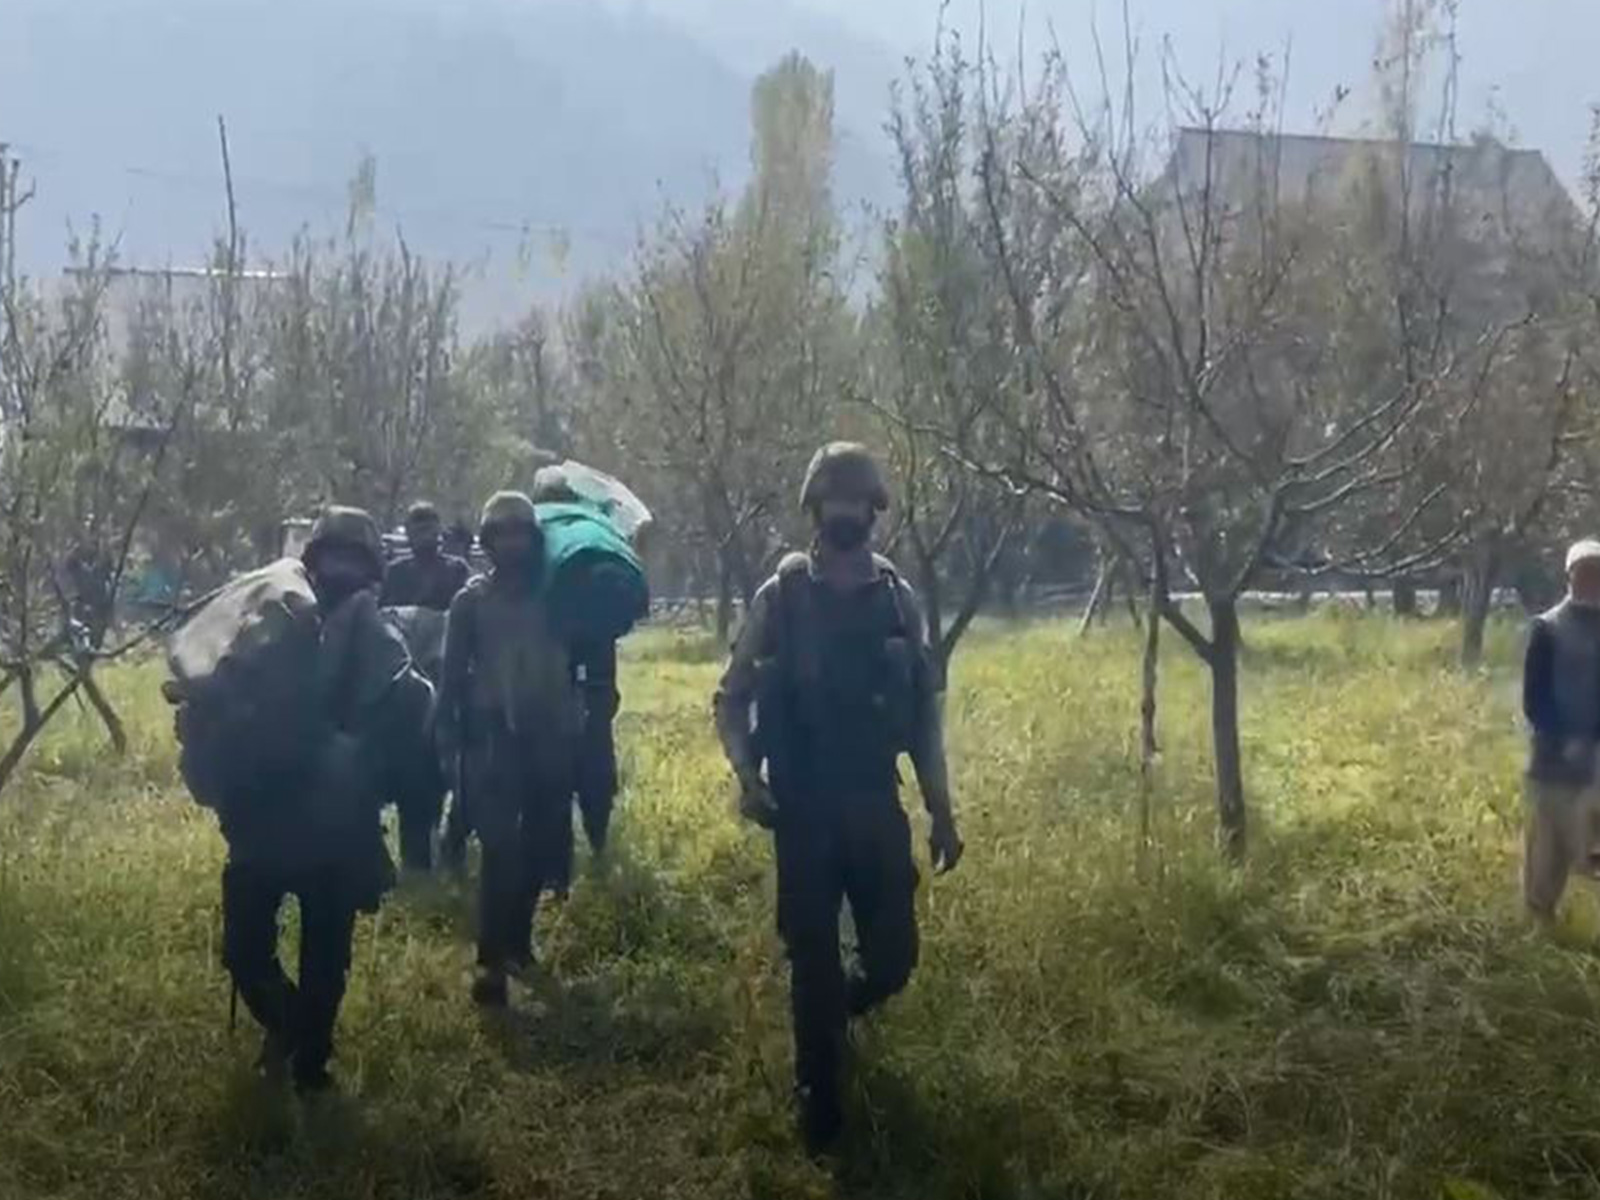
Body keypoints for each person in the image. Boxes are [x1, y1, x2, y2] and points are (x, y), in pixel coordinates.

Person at [713, 442, 964, 1151]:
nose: (846, 512)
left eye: (857, 501)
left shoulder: (897, 599)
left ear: (873, 510)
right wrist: (748, 775)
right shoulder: (782, 595)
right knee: (813, 955)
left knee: (893, 960)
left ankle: (839, 1015)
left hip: (875, 802)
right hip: (804, 808)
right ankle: (817, 1094)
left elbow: (923, 719)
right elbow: (731, 695)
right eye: (834, 501)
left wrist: (942, 811)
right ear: (816, 508)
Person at [220, 506, 414, 1093]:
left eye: (353, 558)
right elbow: (229, 684)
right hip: (266, 810)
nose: (340, 568)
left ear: (370, 568)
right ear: (314, 559)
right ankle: (286, 1026)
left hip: (337, 823)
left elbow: (398, 720)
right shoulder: (274, 622)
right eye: (333, 555)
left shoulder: (379, 637)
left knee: (326, 959)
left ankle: (310, 1063)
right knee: (244, 950)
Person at [435, 491, 581, 1007]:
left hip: (548, 735)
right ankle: (490, 962)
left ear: (534, 540)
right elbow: (451, 677)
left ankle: (518, 944)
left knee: (541, 848)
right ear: (488, 541)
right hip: (491, 737)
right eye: (502, 534)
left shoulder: (557, 598)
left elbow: (584, 661)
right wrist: (447, 742)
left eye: (521, 533)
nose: (512, 543)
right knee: (500, 852)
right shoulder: (470, 602)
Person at [1522, 538, 1600, 920]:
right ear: (1570, 577)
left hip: (1597, 759)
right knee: (1547, 849)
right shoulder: (1547, 628)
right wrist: (1563, 739)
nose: (1591, 581)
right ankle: (1541, 920)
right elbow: (1534, 698)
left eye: (1597, 573)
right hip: (1553, 757)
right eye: (1583, 573)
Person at [381, 501, 472, 612]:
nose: (424, 537)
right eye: (419, 531)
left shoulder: (456, 569)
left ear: (438, 531)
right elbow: (385, 612)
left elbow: (465, 610)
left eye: (428, 530)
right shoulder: (396, 571)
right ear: (409, 534)